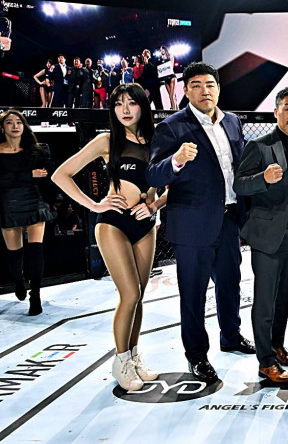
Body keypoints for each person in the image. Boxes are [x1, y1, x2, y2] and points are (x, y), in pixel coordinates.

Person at [146, 62, 254, 384]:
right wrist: (176, 161)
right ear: (185, 90)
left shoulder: (232, 121)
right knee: (193, 294)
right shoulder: (171, 127)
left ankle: (231, 335)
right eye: (195, 85)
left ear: (218, 88)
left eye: (209, 84)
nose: (204, 91)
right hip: (192, 225)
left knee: (230, 283)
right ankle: (196, 355)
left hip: (229, 219)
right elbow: (153, 174)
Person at [52, 84, 165, 390]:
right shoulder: (107, 140)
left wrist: (154, 205)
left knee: (139, 296)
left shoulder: (159, 141)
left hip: (145, 225)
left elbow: (175, 184)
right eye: (118, 104)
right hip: (113, 223)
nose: (125, 109)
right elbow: (60, 174)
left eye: (131, 103)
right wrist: (94, 205)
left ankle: (134, 357)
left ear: (143, 106)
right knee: (129, 294)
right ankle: (121, 361)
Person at [234, 87, 288, 386]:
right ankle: (265, 362)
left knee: (284, 298)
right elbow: (239, 185)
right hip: (267, 235)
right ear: (276, 112)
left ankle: (277, 347)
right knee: (265, 302)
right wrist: (262, 179)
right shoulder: (259, 145)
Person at [0, 110, 55, 316]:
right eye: (9, 122)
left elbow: (49, 175)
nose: (15, 126)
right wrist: (28, 175)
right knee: (15, 254)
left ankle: (36, 296)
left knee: (36, 251)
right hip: (8, 204)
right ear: (2, 127)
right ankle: (18, 281)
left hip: (34, 201)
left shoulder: (37, 150)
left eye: (19, 122)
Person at [159, 46, 178, 110]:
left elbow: (171, 66)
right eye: (160, 50)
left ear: (165, 49)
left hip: (172, 77)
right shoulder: (161, 59)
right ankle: (175, 109)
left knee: (172, 96)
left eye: (162, 49)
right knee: (170, 96)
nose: (161, 51)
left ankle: (174, 110)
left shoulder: (170, 56)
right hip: (166, 79)